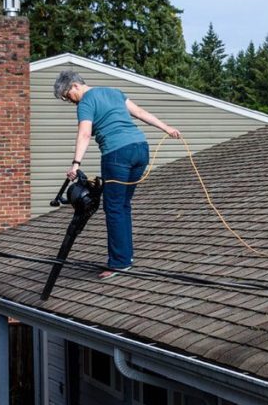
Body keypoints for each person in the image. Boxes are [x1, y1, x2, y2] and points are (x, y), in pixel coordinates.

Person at [54, 71, 181, 279]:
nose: (70, 101)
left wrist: (76, 164)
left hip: (117, 154)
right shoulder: (114, 92)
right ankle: (125, 258)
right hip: (140, 149)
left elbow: (85, 133)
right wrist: (166, 128)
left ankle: (119, 262)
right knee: (122, 204)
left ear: (75, 86)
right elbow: (139, 112)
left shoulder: (86, 102)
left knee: (113, 207)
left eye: (68, 96)